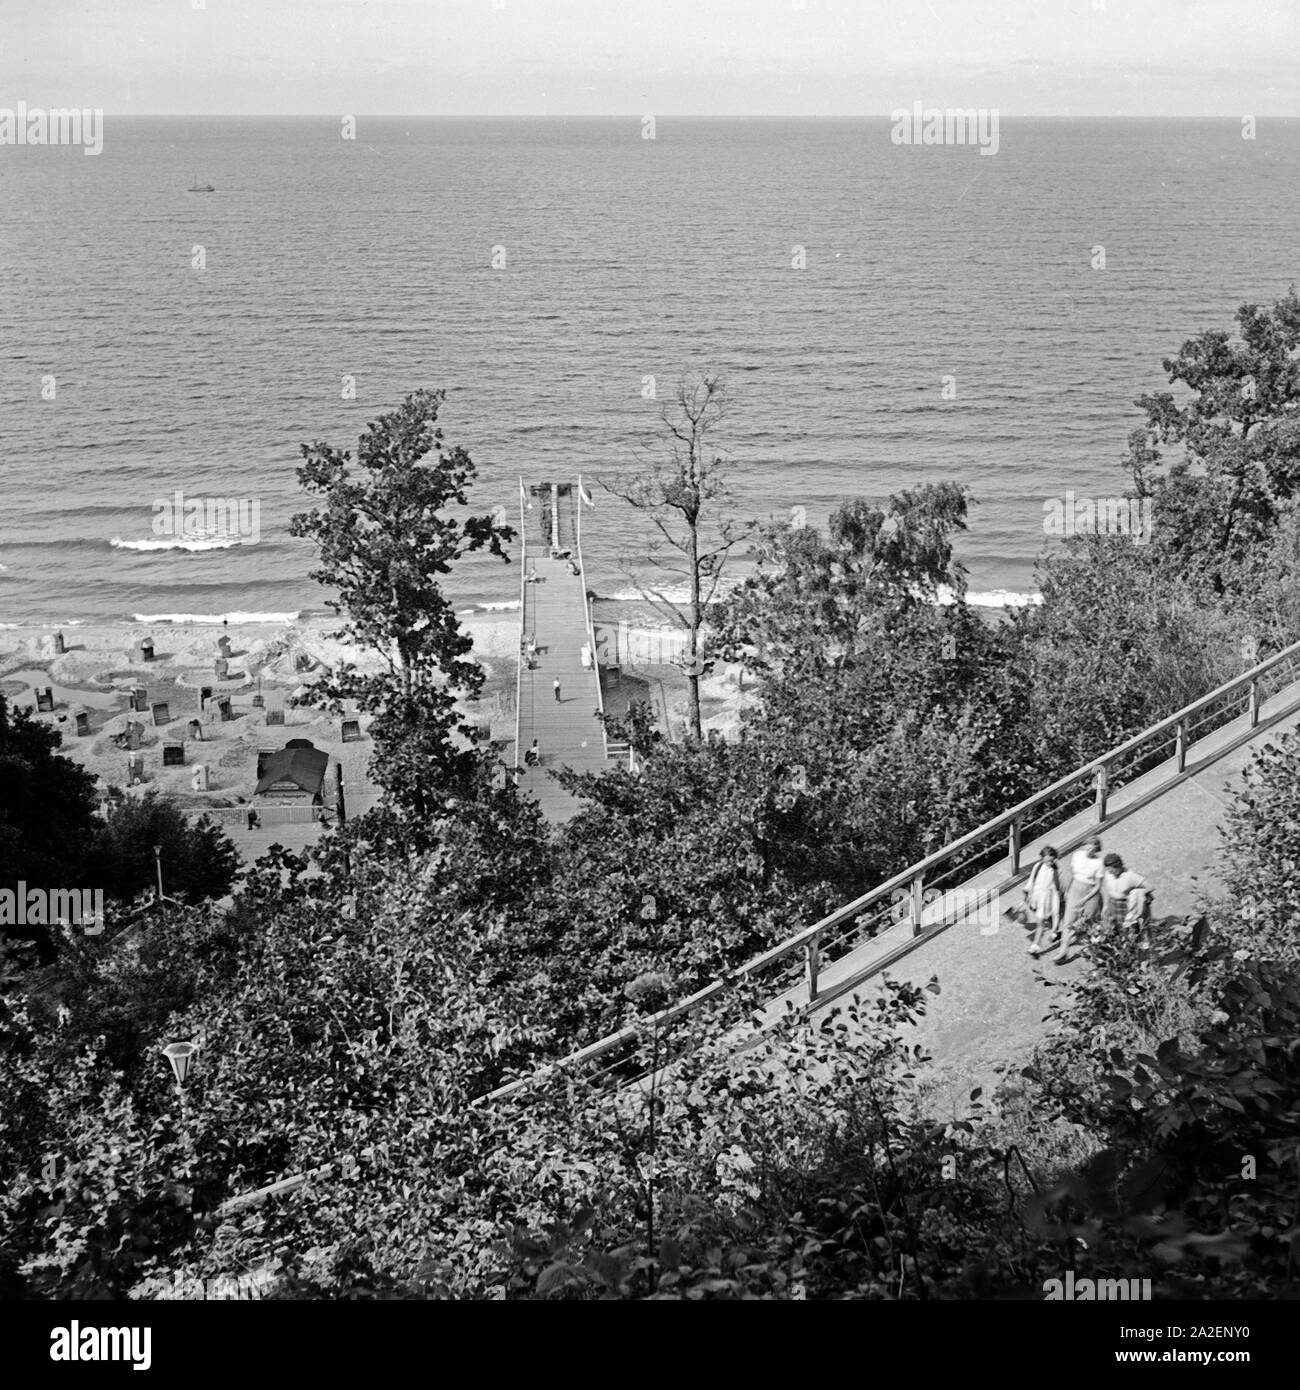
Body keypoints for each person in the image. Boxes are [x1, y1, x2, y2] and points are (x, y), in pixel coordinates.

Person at [1056, 835, 1106, 964]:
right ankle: (1063, 952)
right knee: (1069, 922)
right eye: (1088, 847)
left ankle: (1096, 952)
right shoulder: (1077, 855)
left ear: (1096, 849)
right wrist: (1068, 890)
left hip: (1091, 893)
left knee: (1091, 924)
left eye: (1093, 849)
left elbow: (1098, 886)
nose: (1089, 850)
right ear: (1084, 846)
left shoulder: (1099, 863)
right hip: (1075, 890)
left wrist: (1086, 898)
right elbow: (1073, 874)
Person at [1101, 853, 1155, 942]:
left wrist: (1133, 894)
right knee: (1116, 931)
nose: (1110, 873)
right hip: (1113, 905)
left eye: (1112, 871)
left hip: (1127, 906)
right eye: (1108, 871)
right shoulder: (1108, 874)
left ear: (1118, 866)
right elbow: (1108, 891)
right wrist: (1106, 906)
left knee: (1133, 931)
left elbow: (1150, 887)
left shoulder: (1130, 876)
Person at [1024, 846, 1065, 957]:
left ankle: (1035, 946)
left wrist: (1058, 899)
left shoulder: (1055, 870)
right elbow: (1032, 880)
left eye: (1052, 861)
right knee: (1048, 919)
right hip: (1037, 897)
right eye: (1047, 861)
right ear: (1042, 858)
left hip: (1048, 899)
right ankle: (1055, 932)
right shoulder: (1037, 866)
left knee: (1041, 922)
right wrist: (1027, 894)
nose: (1049, 863)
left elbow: (1057, 887)